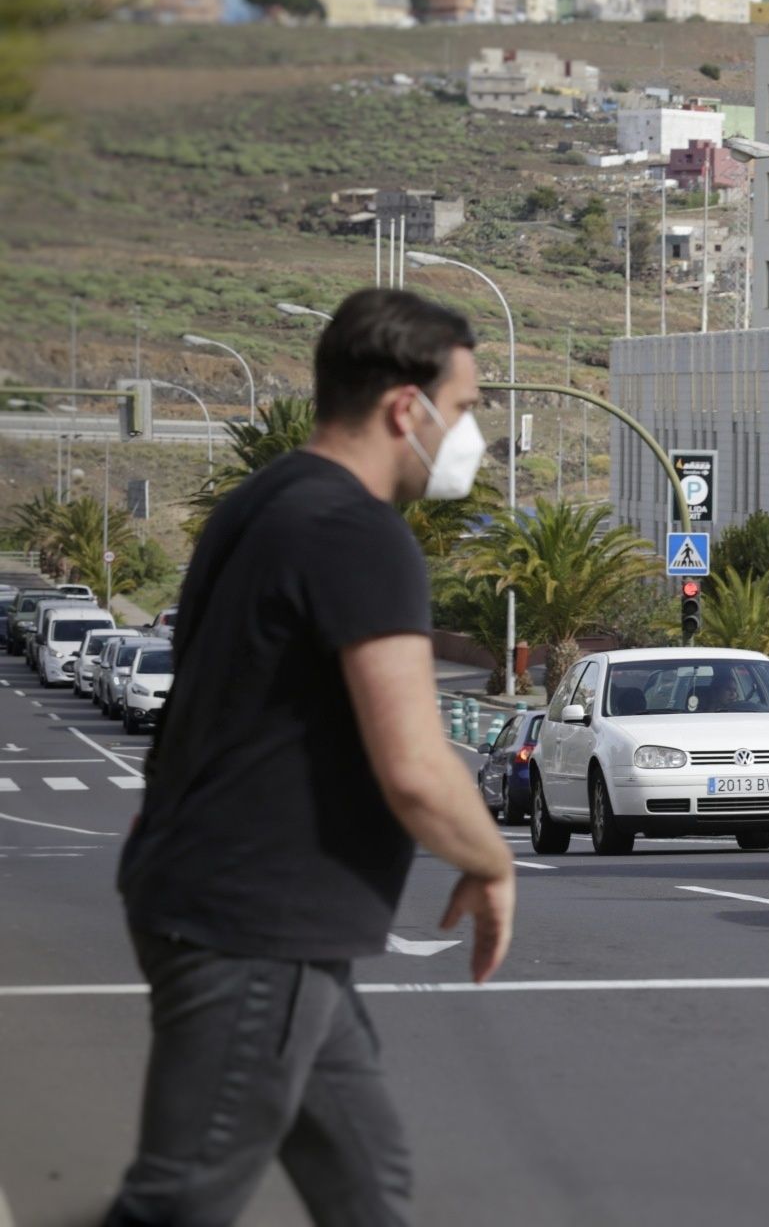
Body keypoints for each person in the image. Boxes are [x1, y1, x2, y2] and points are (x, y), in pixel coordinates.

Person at [109, 289, 517, 1227]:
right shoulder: (356, 533)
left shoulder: (262, 502)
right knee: (181, 1198)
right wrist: (491, 861)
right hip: (256, 925)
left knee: (367, 1182)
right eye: (462, 411)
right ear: (403, 409)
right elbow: (414, 763)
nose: (469, 437)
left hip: (235, 909)